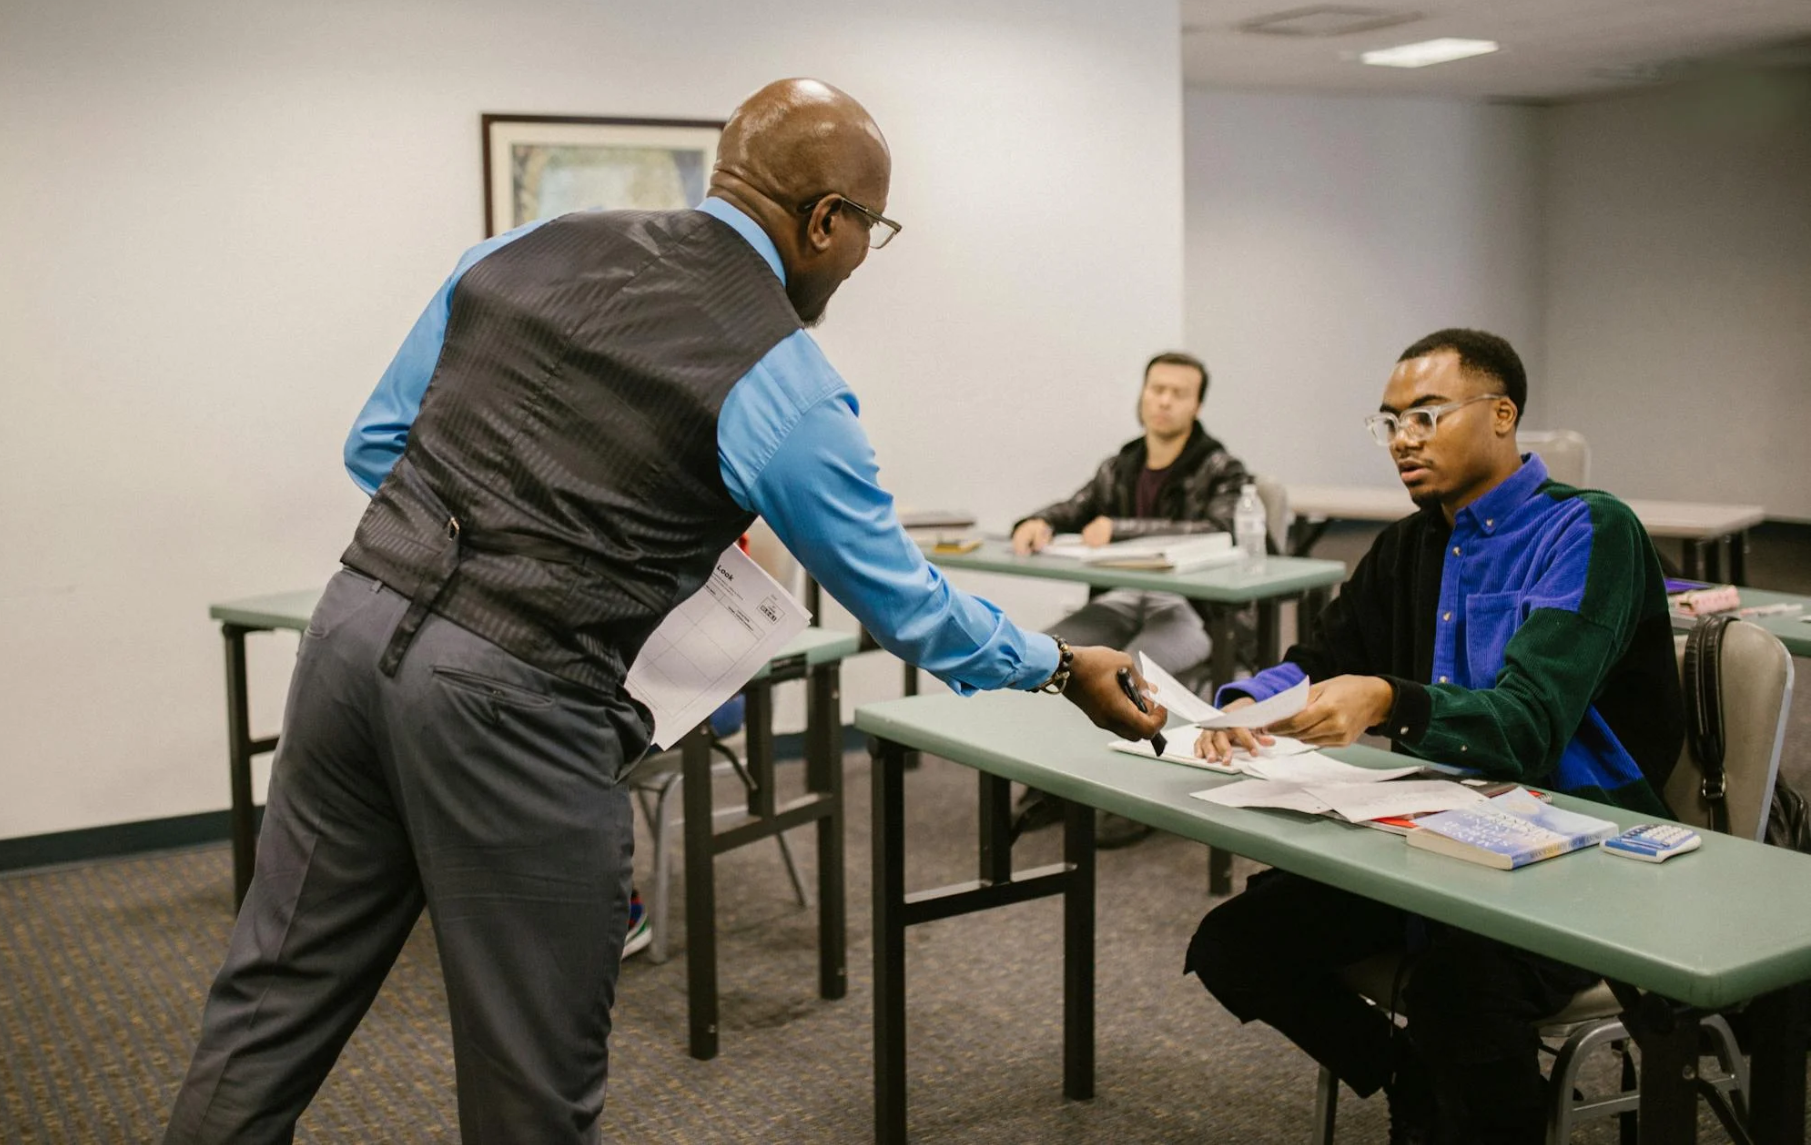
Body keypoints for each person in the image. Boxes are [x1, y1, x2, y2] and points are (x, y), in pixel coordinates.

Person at [161, 79, 1165, 1145]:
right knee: (527, 1083)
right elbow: (901, 601)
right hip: (512, 702)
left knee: (271, 1001)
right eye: (872, 228)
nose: (864, 254)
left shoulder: (528, 243)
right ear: (825, 223)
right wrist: (1056, 666)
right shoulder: (784, 380)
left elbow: (378, 446)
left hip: (351, 630)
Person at [1183, 328, 1682, 1145]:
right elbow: (1319, 661)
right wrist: (1236, 710)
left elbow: (1530, 724)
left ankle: (1467, 1103)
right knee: (1237, 942)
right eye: (1389, 422)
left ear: (1501, 413)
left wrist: (1390, 699)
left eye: (1425, 414)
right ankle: (1409, 1075)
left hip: (1580, 847)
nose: (1402, 439)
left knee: (1458, 994)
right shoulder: (1409, 543)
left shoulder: (1588, 532)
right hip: (1437, 833)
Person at [1007, 351, 1250, 845]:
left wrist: (1120, 529)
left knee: (1133, 665)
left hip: (1189, 604)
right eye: (1155, 389)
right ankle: (1060, 783)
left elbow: (1221, 528)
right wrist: (1038, 521)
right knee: (1054, 652)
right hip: (1124, 596)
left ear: (1197, 406)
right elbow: (1076, 507)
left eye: (1177, 393)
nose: (1163, 401)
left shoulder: (1221, 467)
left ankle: (1139, 793)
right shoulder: (1121, 464)